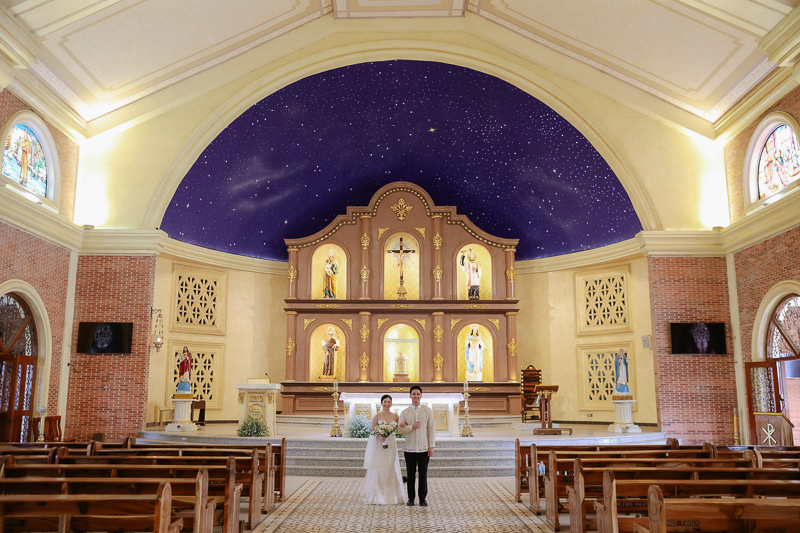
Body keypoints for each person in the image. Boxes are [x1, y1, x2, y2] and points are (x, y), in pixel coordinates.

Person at [362, 394, 405, 505]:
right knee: (380, 468)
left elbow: (399, 431)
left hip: (391, 445)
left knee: (390, 467)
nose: (387, 404)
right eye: (385, 401)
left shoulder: (395, 416)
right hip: (380, 445)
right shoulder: (377, 417)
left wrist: (404, 426)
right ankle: (379, 494)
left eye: (389, 401)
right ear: (381, 403)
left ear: (391, 403)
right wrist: (379, 437)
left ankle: (392, 495)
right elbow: (372, 432)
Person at [398, 385, 435, 507]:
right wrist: (411, 427)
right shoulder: (405, 412)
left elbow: (431, 429)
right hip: (410, 448)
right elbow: (400, 430)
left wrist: (431, 446)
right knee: (410, 475)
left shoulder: (427, 411)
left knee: (423, 475)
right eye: (413, 394)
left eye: (418, 394)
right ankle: (411, 498)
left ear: (421, 396)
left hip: (424, 448)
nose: (416, 396)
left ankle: (422, 499)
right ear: (410, 396)